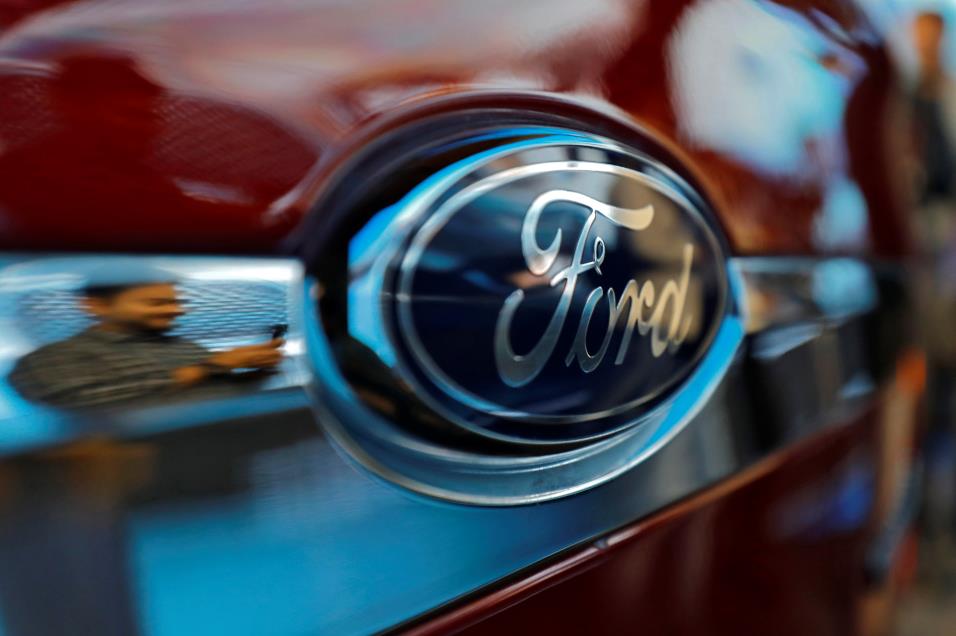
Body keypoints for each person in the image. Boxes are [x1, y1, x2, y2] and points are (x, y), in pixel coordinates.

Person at [8, 269, 284, 409]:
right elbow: (83, 402)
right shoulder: (51, 358)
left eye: (176, 302)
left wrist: (260, 370)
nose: (175, 310)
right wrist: (210, 367)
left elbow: (221, 390)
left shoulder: (183, 347)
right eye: (156, 303)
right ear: (97, 306)